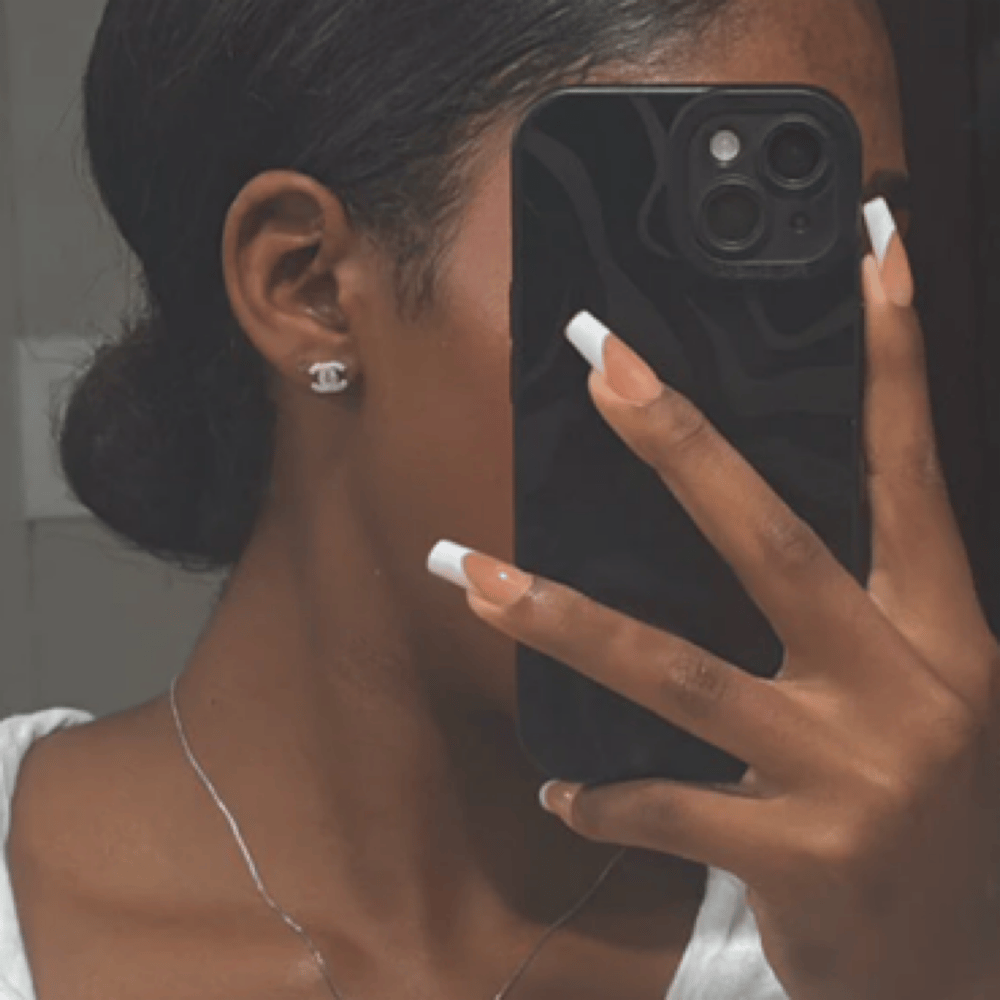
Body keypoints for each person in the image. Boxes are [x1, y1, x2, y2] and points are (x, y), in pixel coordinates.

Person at [1, 0, 998, 997]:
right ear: (308, 285)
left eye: (851, 257)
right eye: (682, 274)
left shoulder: (903, 922)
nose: (798, 381)